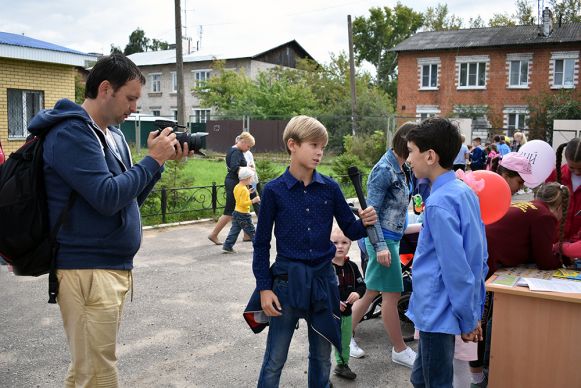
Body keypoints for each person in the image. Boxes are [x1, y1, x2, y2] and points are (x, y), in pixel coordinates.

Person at [26, 53, 187, 387]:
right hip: (87, 270)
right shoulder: (71, 133)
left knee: (88, 370)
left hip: (108, 268)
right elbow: (105, 196)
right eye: (130, 98)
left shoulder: (111, 136)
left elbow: (126, 200)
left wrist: (156, 167)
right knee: (98, 373)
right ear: (105, 89)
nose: (133, 107)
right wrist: (151, 161)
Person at [252, 115, 378, 388]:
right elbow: (261, 244)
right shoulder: (274, 191)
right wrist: (264, 288)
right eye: (314, 145)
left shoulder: (330, 188)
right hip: (286, 283)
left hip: (323, 282)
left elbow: (350, 229)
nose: (320, 152)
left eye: (322, 146)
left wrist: (364, 223)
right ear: (292, 145)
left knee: (322, 357)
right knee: (275, 358)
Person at [405, 117, 488, 388]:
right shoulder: (464, 192)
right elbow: (478, 257)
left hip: (437, 310)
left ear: (430, 156)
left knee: (435, 381)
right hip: (444, 308)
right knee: (421, 377)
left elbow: (457, 268)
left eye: (411, 151)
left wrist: (468, 318)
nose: (408, 159)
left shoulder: (439, 203)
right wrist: (473, 311)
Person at [349, 122, 417, 367]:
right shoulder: (384, 169)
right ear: (406, 144)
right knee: (391, 295)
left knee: (371, 293)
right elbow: (371, 212)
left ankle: (344, 336)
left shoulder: (401, 167)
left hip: (391, 239)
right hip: (383, 241)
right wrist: (380, 246)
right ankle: (399, 349)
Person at [329, 227, 366, 380]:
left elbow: (362, 285)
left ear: (350, 244)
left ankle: (342, 365)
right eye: (335, 242)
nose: (340, 246)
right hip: (329, 314)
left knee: (345, 341)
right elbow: (321, 290)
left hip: (347, 314)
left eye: (344, 242)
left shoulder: (352, 267)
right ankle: (322, 373)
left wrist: (357, 293)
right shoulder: (325, 268)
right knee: (325, 344)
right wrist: (333, 302)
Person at [208, 132, 255, 245]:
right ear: (243, 142)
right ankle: (214, 234)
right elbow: (235, 167)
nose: (248, 149)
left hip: (235, 182)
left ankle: (247, 235)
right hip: (234, 182)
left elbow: (236, 166)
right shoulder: (236, 152)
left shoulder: (233, 150)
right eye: (248, 146)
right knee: (230, 210)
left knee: (239, 208)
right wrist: (248, 170)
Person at [547, 138, 581, 242]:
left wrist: (573, 244)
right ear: (566, 159)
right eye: (572, 167)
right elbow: (545, 207)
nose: (577, 172)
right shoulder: (555, 174)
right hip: (554, 240)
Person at [222, 167, 260, 253]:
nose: (252, 180)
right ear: (246, 178)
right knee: (251, 231)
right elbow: (243, 203)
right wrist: (253, 200)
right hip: (243, 214)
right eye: (251, 178)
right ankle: (258, 248)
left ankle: (227, 246)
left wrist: (248, 192)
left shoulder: (237, 187)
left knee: (234, 230)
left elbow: (239, 198)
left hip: (236, 212)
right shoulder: (244, 189)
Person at [244, 144, 261, 217]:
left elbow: (252, 165)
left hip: (252, 178)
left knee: (255, 196)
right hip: (244, 179)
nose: (249, 148)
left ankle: (261, 216)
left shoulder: (249, 153)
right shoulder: (237, 153)